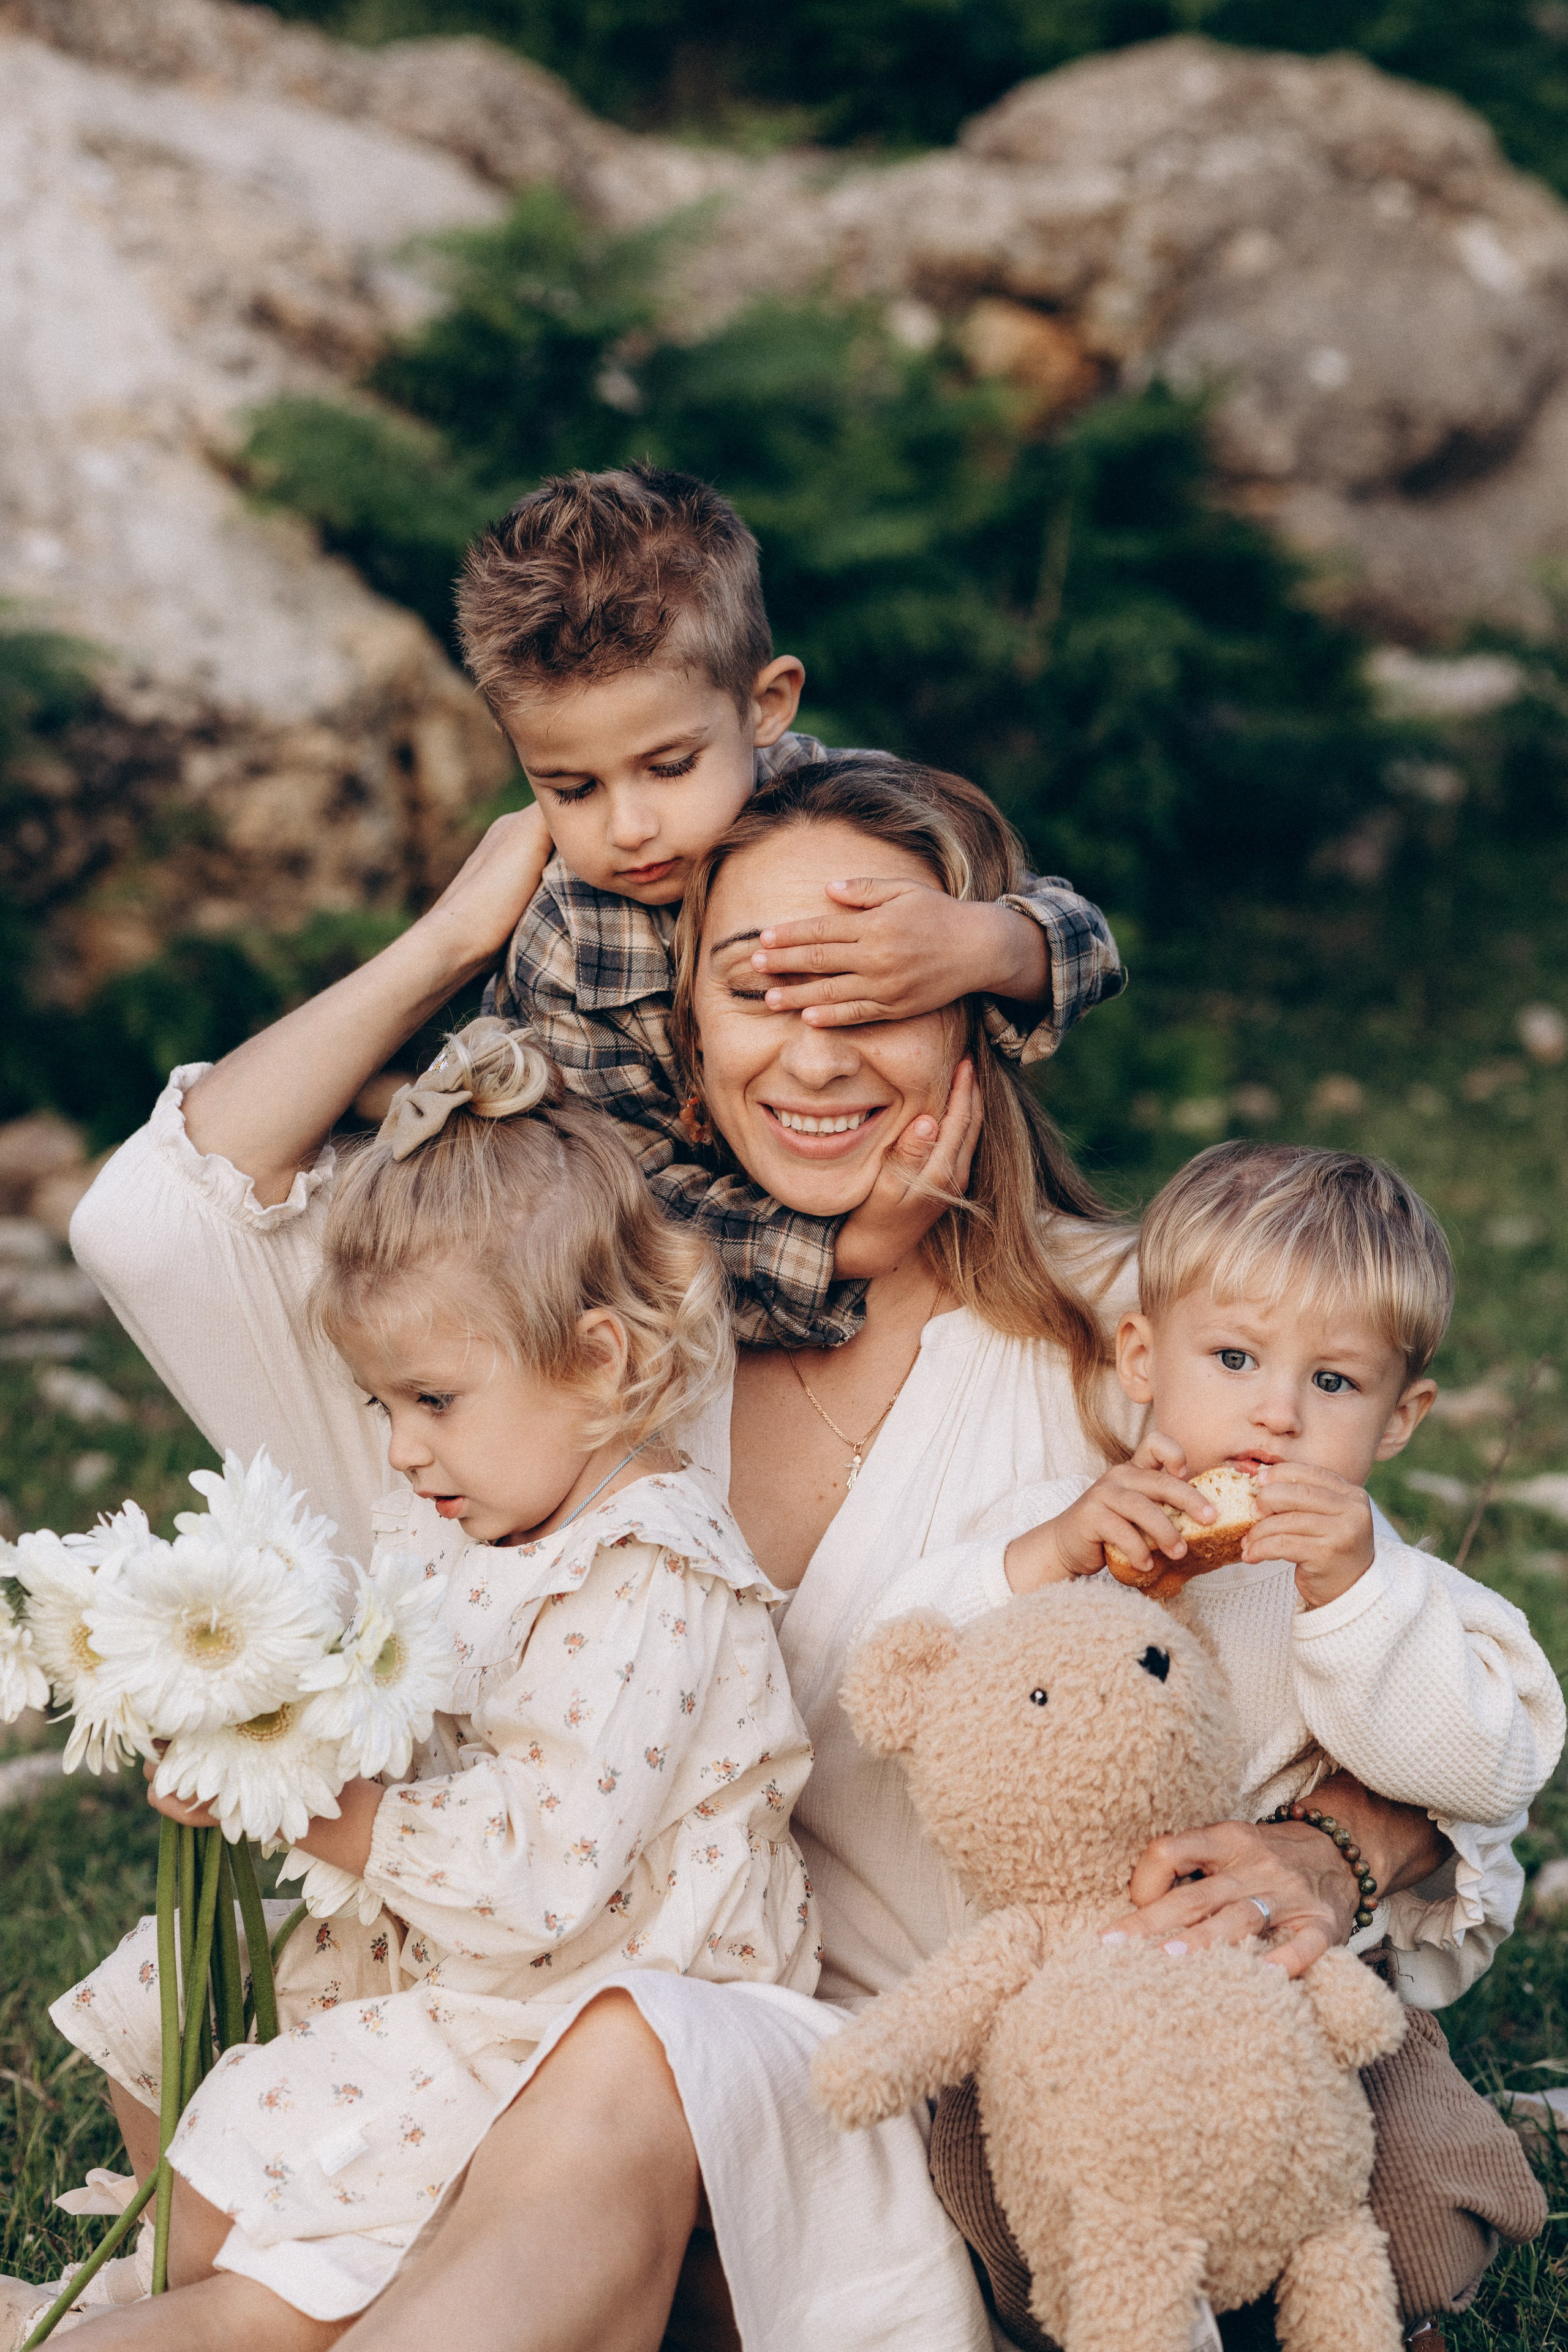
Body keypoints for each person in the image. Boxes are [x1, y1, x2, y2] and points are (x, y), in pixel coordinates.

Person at [52, 760, 1508, 2352]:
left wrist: (1328, 1855)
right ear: (686, 1021)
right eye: (758, 986)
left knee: (634, 2048)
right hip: (520, 2070)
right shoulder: (577, 1337)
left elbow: (1425, 1682)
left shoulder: (1123, 1343)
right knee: (516, 2059)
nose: (816, 1049)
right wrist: (467, 929)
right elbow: (152, 1226)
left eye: (880, 990)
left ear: (981, 1011)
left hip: (934, 2120)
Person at [28, 1023, 816, 2349]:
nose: (397, 1451)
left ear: (604, 1361)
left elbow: (547, 1872)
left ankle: (267, 2307)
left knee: (277, 2222)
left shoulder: (650, 1574)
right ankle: (253, 2277)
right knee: (169, 1986)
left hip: (578, 1993)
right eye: (379, 1403)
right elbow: (386, 1701)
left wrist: (308, 1801)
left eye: (432, 1401)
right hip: (448, 1942)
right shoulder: (466, 1520)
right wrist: (247, 1727)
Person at [928, 1136, 1562, 2346]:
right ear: (1139, 1359)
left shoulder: (1397, 1592)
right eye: (1231, 1359)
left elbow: (1474, 1773)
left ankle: (1369, 2309)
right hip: (1085, 1993)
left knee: (1407, 2198)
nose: (1274, 1412)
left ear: (1398, 1418)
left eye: (1332, 1384)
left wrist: (1351, 1595)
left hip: (1297, 1997)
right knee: (1031, 2210)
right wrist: (1052, 1563)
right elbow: (917, 1662)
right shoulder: (1076, 1529)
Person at [458, 463, 1125, 1345]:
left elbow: (1091, 948)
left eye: (669, 767)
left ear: (766, 705)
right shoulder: (571, 938)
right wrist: (847, 1250)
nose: (631, 828)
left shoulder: (847, 812)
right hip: (671, 1282)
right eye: (572, 788)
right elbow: (634, 1204)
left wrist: (986, 944)